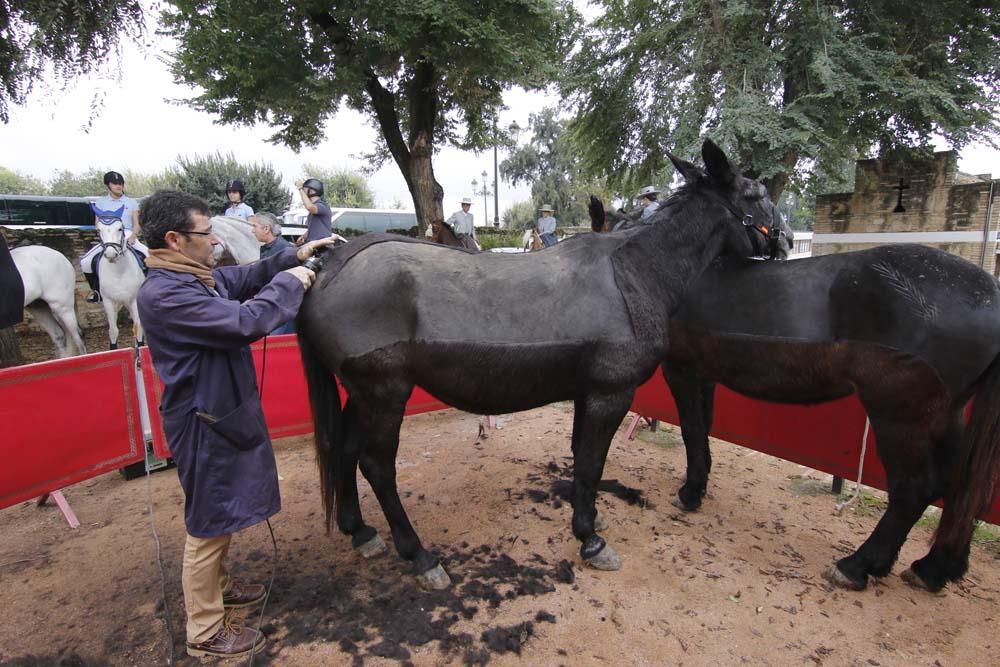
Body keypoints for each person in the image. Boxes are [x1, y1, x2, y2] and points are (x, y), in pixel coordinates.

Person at [136, 190, 341, 660]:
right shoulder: (167, 294)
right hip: (203, 421)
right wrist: (293, 282)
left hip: (218, 413)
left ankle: (221, 587)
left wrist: (294, 254)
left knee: (220, 511)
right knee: (207, 524)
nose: (215, 242)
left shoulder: (191, 278)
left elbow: (242, 278)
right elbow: (248, 320)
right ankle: (205, 630)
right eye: (206, 234)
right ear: (174, 239)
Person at [81, 171, 146, 303]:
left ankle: (149, 289)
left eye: (121, 183)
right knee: (86, 262)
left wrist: (133, 236)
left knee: (150, 257)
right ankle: (96, 291)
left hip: (127, 234)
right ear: (108, 185)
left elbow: (136, 224)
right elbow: (97, 223)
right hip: (109, 238)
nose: (119, 186)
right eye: (115, 183)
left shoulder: (131, 202)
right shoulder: (101, 203)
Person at [251, 212, 296, 334]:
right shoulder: (268, 248)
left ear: (266, 229)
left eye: (254, 226)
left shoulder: (284, 250)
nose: (252, 231)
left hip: (282, 313)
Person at [294, 178, 333, 244]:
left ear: (311, 191)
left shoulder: (322, 206)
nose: (303, 190)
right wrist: (303, 237)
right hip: (315, 246)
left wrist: (300, 189)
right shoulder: (314, 209)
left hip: (323, 247)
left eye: (304, 189)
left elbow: (310, 207)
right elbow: (314, 229)